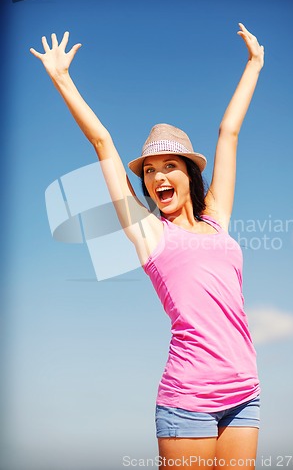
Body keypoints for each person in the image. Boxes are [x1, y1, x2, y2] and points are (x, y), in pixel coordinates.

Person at [30, 23, 264, 469]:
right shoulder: (149, 232)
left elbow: (228, 132)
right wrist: (62, 79)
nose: (157, 178)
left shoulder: (217, 220)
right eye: (150, 170)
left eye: (169, 166)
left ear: (188, 174)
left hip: (245, 392)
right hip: (188, 397)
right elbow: (103, 144)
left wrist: (254, 64)